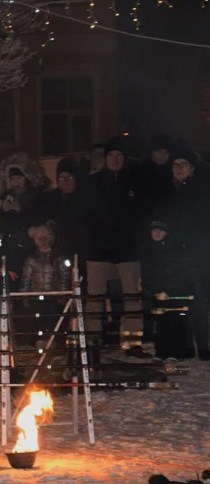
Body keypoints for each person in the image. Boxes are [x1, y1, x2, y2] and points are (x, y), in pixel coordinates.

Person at [85, 137, 146, 356]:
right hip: (98, 250)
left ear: (125, 158)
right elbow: (85, 215)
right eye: (111, 155)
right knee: (95, 300)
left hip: (128, 250)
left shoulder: (134, 182)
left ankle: (133, 342)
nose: (115, 159)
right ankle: (92, 341)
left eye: (119, 155)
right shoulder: (93, 182)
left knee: (131, 299)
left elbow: (142, 214)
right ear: (105, 158)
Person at [154, 148, 209, 359]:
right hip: (174, 256)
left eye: (183, 165)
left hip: (196, 254)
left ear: (192, 169)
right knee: (180, 303)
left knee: (198, 303)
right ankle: (185, 346)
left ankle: (203, 346)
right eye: (175, 165)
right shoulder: (168, 191)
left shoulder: (201, 191)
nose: (178, 169)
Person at [143, 220, 196, 361]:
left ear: (166, 233)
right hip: (158, 293)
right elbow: (148, 273)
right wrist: (151, 290)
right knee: (161, 323)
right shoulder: (149, 250)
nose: (157, 233)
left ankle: (176, 353)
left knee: (176, 322)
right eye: (154, 230)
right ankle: (161, 352)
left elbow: (182, 272)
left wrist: (170, 291)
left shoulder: (176, 249)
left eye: (160, 230)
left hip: (175, 293)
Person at [20, 223, 70, 347]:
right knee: (39, 318)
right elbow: (26, 278)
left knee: (53, 318)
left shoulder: (58, 257)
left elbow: (64, 277)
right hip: (36, 295)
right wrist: (24, 295)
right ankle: (39, 340)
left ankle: (55, 340)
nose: (43, 241)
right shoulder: (31, 259)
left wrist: (63, 294)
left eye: (45, 237)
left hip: (54, 295)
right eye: (39, 238)